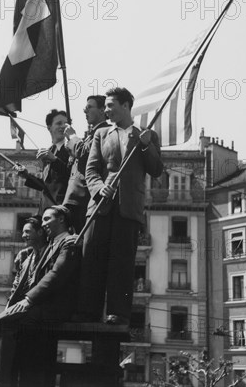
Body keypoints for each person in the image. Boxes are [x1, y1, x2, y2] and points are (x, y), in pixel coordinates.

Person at [0, 206, 80, 387]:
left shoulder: (70, 241)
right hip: (40, 305)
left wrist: (29, 299)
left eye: (47, 219)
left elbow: (56, 274)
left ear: (61, 220)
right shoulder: (48, 246)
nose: (44, 224)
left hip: (55, 307)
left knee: (4, 324)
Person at [78, 87, 163, 325]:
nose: (106, 110)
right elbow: (91, 170)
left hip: (129, 208)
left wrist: (147, 146)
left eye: (110, 105)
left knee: (122, 263)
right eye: (104, 106)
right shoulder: (101, 133)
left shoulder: (146, 135)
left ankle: (118, 312)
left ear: (126, 106)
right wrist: (97, 189)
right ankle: (88, 312)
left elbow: (156, 170)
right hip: (101, 205)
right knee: (91, 258)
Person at [62, 95, 109, 233]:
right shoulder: (91, 134)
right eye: (85, 108)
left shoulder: (104, 131)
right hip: (75, 199)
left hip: (83, 199)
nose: (85, 111)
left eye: (89, 107)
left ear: (102, 110)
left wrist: (72, 137)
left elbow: (84, 153)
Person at [16, 109, 72, 206]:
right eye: (59, 123)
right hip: (46, 208)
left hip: (62, 208)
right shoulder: (49, 151)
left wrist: (54, 160)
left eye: (66, 123)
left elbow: (72, 177)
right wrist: (27, 175)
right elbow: (46, 186)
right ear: (49, 127)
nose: (63, 126)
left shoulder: (72, 148)